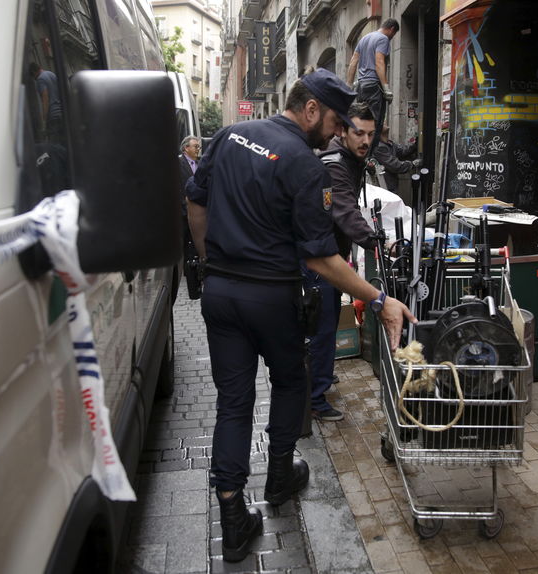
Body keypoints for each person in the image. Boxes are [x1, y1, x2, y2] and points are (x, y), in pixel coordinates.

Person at [185, 68, 415, 562]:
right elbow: (320, 259)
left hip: (221, 294)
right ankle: (280, 475)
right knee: (290, 381)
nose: (337, 131)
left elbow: (195, 203)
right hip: (271, 296)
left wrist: (210, 263)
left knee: (233, 400)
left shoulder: (227, 136)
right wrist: (378, 299)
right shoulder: (304, 164)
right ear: (310, 109)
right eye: (335, 121)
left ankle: (232, 518)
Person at [305, 102, 379, 422]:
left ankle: (320, 378)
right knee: (321, 328)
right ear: (343, 131)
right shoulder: (336, 163)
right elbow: (346, 213)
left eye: (371, 135)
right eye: (358, 133)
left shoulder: (350, 157)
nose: (365, 141)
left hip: (331, 255)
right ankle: (313, 399)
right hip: (321, 260)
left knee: (329, 321)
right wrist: (377, 242)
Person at [346, 18, 399, 151]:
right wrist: (386, 87)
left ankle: (360, 155)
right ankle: (369, 157)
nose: (392, 37)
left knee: (362, 121)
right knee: (375, 124)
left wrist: (348, 85)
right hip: (374, 86)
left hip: (361, 86)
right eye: (394, 34)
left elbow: (353, 62)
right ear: (392, 29)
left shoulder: (364, 38)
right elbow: (379, 62)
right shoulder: (383, 39)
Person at [179, 135, 202, 299]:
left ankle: (193, 271)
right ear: (186, 148)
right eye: (195, 146)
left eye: (198, 147)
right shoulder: (178, 163)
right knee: (184, 240)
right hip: (182, 211)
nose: (197, 149)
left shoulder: (199, 164)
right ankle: (186, 270)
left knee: (193, 242)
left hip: (196, 212)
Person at [373, 124, 421, 193]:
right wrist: (413, 164)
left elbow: (402, 151)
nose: (384, 123)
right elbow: (395, 166)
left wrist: (415, 144)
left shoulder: (389, 143)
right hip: (385, 188)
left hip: (391, 185)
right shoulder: (379, 147)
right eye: (382, 123)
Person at [28, 62, 62, 142]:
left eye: (33, 77)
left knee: (55, 145)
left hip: (53, 116)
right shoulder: (51, 74)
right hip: (61, 113)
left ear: (33, 72)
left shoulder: (40, 79)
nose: (34, 79)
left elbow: (45, 99)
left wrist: (44, 120)